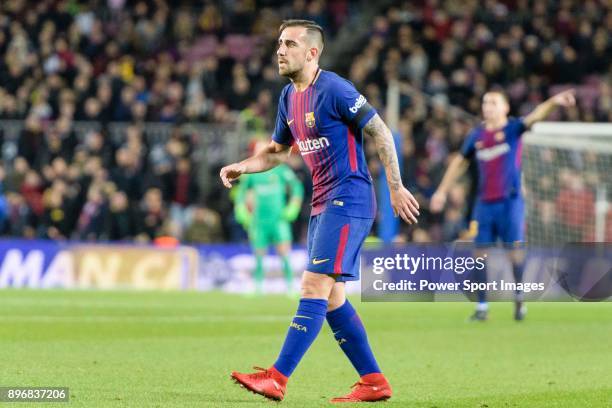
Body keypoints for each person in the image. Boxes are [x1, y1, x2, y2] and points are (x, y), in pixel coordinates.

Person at [220, 19, 419, 403]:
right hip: (323, 204)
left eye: (289, 44)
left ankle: (277, 377)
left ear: (311, 52)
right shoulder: (287, 98)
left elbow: (380, 131)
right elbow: (278, 152)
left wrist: (395, 187)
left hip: (350, 198)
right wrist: (243, 165)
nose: (280, 50)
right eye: (278, 43)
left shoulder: (335, 89)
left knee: (313, 285)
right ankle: (374, 381)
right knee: (331, 299)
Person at [430, 89, 576, 321]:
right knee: (479, 254)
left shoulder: (513, 129)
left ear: (505, 108)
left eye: (494, 102)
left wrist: (554, 102)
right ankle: (482, 307)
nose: (488, 106)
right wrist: (441, 191)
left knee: (515, 253)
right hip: (483, 205)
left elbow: (536, 115)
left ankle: (518, 297)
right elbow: (459, 162)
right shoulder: (476, 135)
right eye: (485, 102)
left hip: (511, 203)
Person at [234, 139, 304, 294]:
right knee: (259, 254)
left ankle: (290, 286)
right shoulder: (251, 174)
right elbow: (241, 192)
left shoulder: (280, 169)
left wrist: (294, 205)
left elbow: (297, 187)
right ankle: (258, 286)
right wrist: (241, 208)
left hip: (279, 219)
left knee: (284, 253)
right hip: (259, 220)